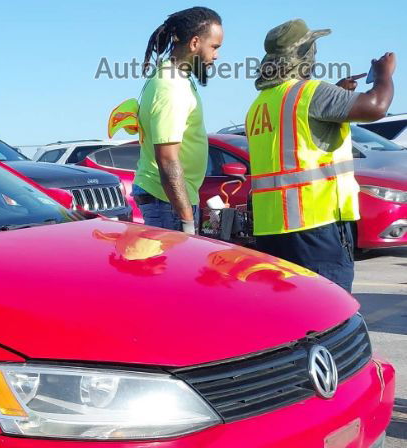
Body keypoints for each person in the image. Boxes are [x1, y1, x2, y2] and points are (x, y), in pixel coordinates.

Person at [245, 19, 396, 292]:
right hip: (316, 227)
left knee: (289, 314)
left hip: (272, 232)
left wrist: (337, 93)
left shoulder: (260, 105)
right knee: (327, 316)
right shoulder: (310, 93)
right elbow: (376, 106)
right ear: (303, 55)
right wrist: (384, 74)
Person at [132, 7, 224, 234]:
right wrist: (186, 221)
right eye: (214, 47)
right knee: (176, 267)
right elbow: (167, 160)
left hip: (170, 201)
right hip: (167, 204)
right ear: (194, 43)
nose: (216, 55)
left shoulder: (179, 80)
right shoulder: (170, 86)